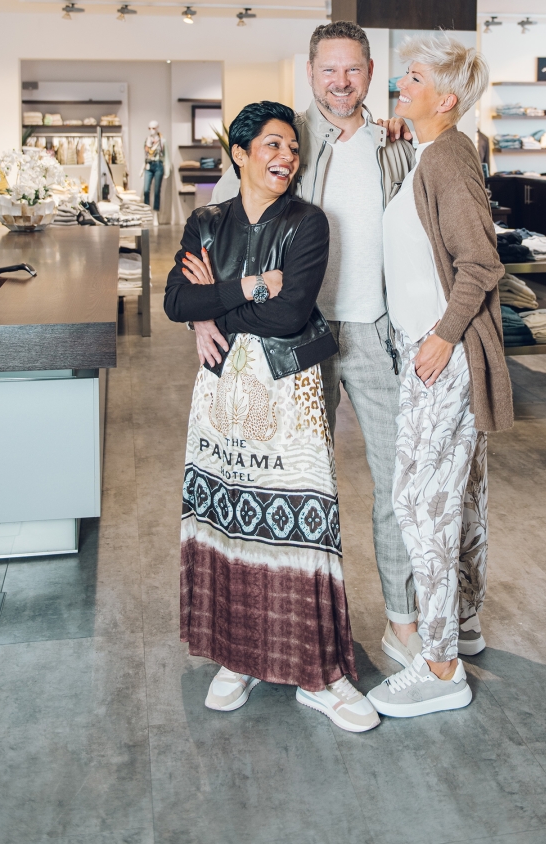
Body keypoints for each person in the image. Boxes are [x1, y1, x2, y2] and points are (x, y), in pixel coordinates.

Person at [199, 23, 422, 666]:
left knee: (398, 484)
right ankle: (276, 631)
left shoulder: (394, 145)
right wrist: (202, 315)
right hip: (292, 340)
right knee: (286, 485)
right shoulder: (283, 138)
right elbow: (215, 225)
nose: (341, 82)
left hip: (377, 334)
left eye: (353, 69)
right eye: (329, 70)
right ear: (310, 72)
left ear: (371, 72)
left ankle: (403, 622)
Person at [164, 100, 380, 734]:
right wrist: (248, 289)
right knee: (230, 518)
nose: (286, 157)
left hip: (288, 389)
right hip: (221, 392)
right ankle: (238, 658)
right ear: (240, 154)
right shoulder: (206, 222)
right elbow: (175, 300)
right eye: (272, 146)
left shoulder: (308, 222)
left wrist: (212, 303)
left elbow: (289, 317)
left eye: (292, 147)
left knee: (301, 523)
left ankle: (321, 674)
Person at [368, 35, 514, 719]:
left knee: (419, 501)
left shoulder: (448, 157)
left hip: (441, 351)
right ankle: (460, 625)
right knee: (455, 494)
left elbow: (480, 262)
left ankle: (440, 665)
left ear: (447, 98)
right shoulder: (435, 151)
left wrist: (443, 335)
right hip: (433, 347)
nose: (402, 83)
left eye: (416, 77)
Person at [143, 120, 167, 225]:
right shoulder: (147, 140)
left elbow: (165, 156)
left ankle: (155, 214)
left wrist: (166, 170)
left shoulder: (162, 141)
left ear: (157, 128)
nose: (151, 130)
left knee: (157, 191)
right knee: (146, 190)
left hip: (158, 165)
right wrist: (142, 168)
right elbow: (145, 155)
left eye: (153, 128)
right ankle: (146, 213)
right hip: (148, 165)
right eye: (150, 128)